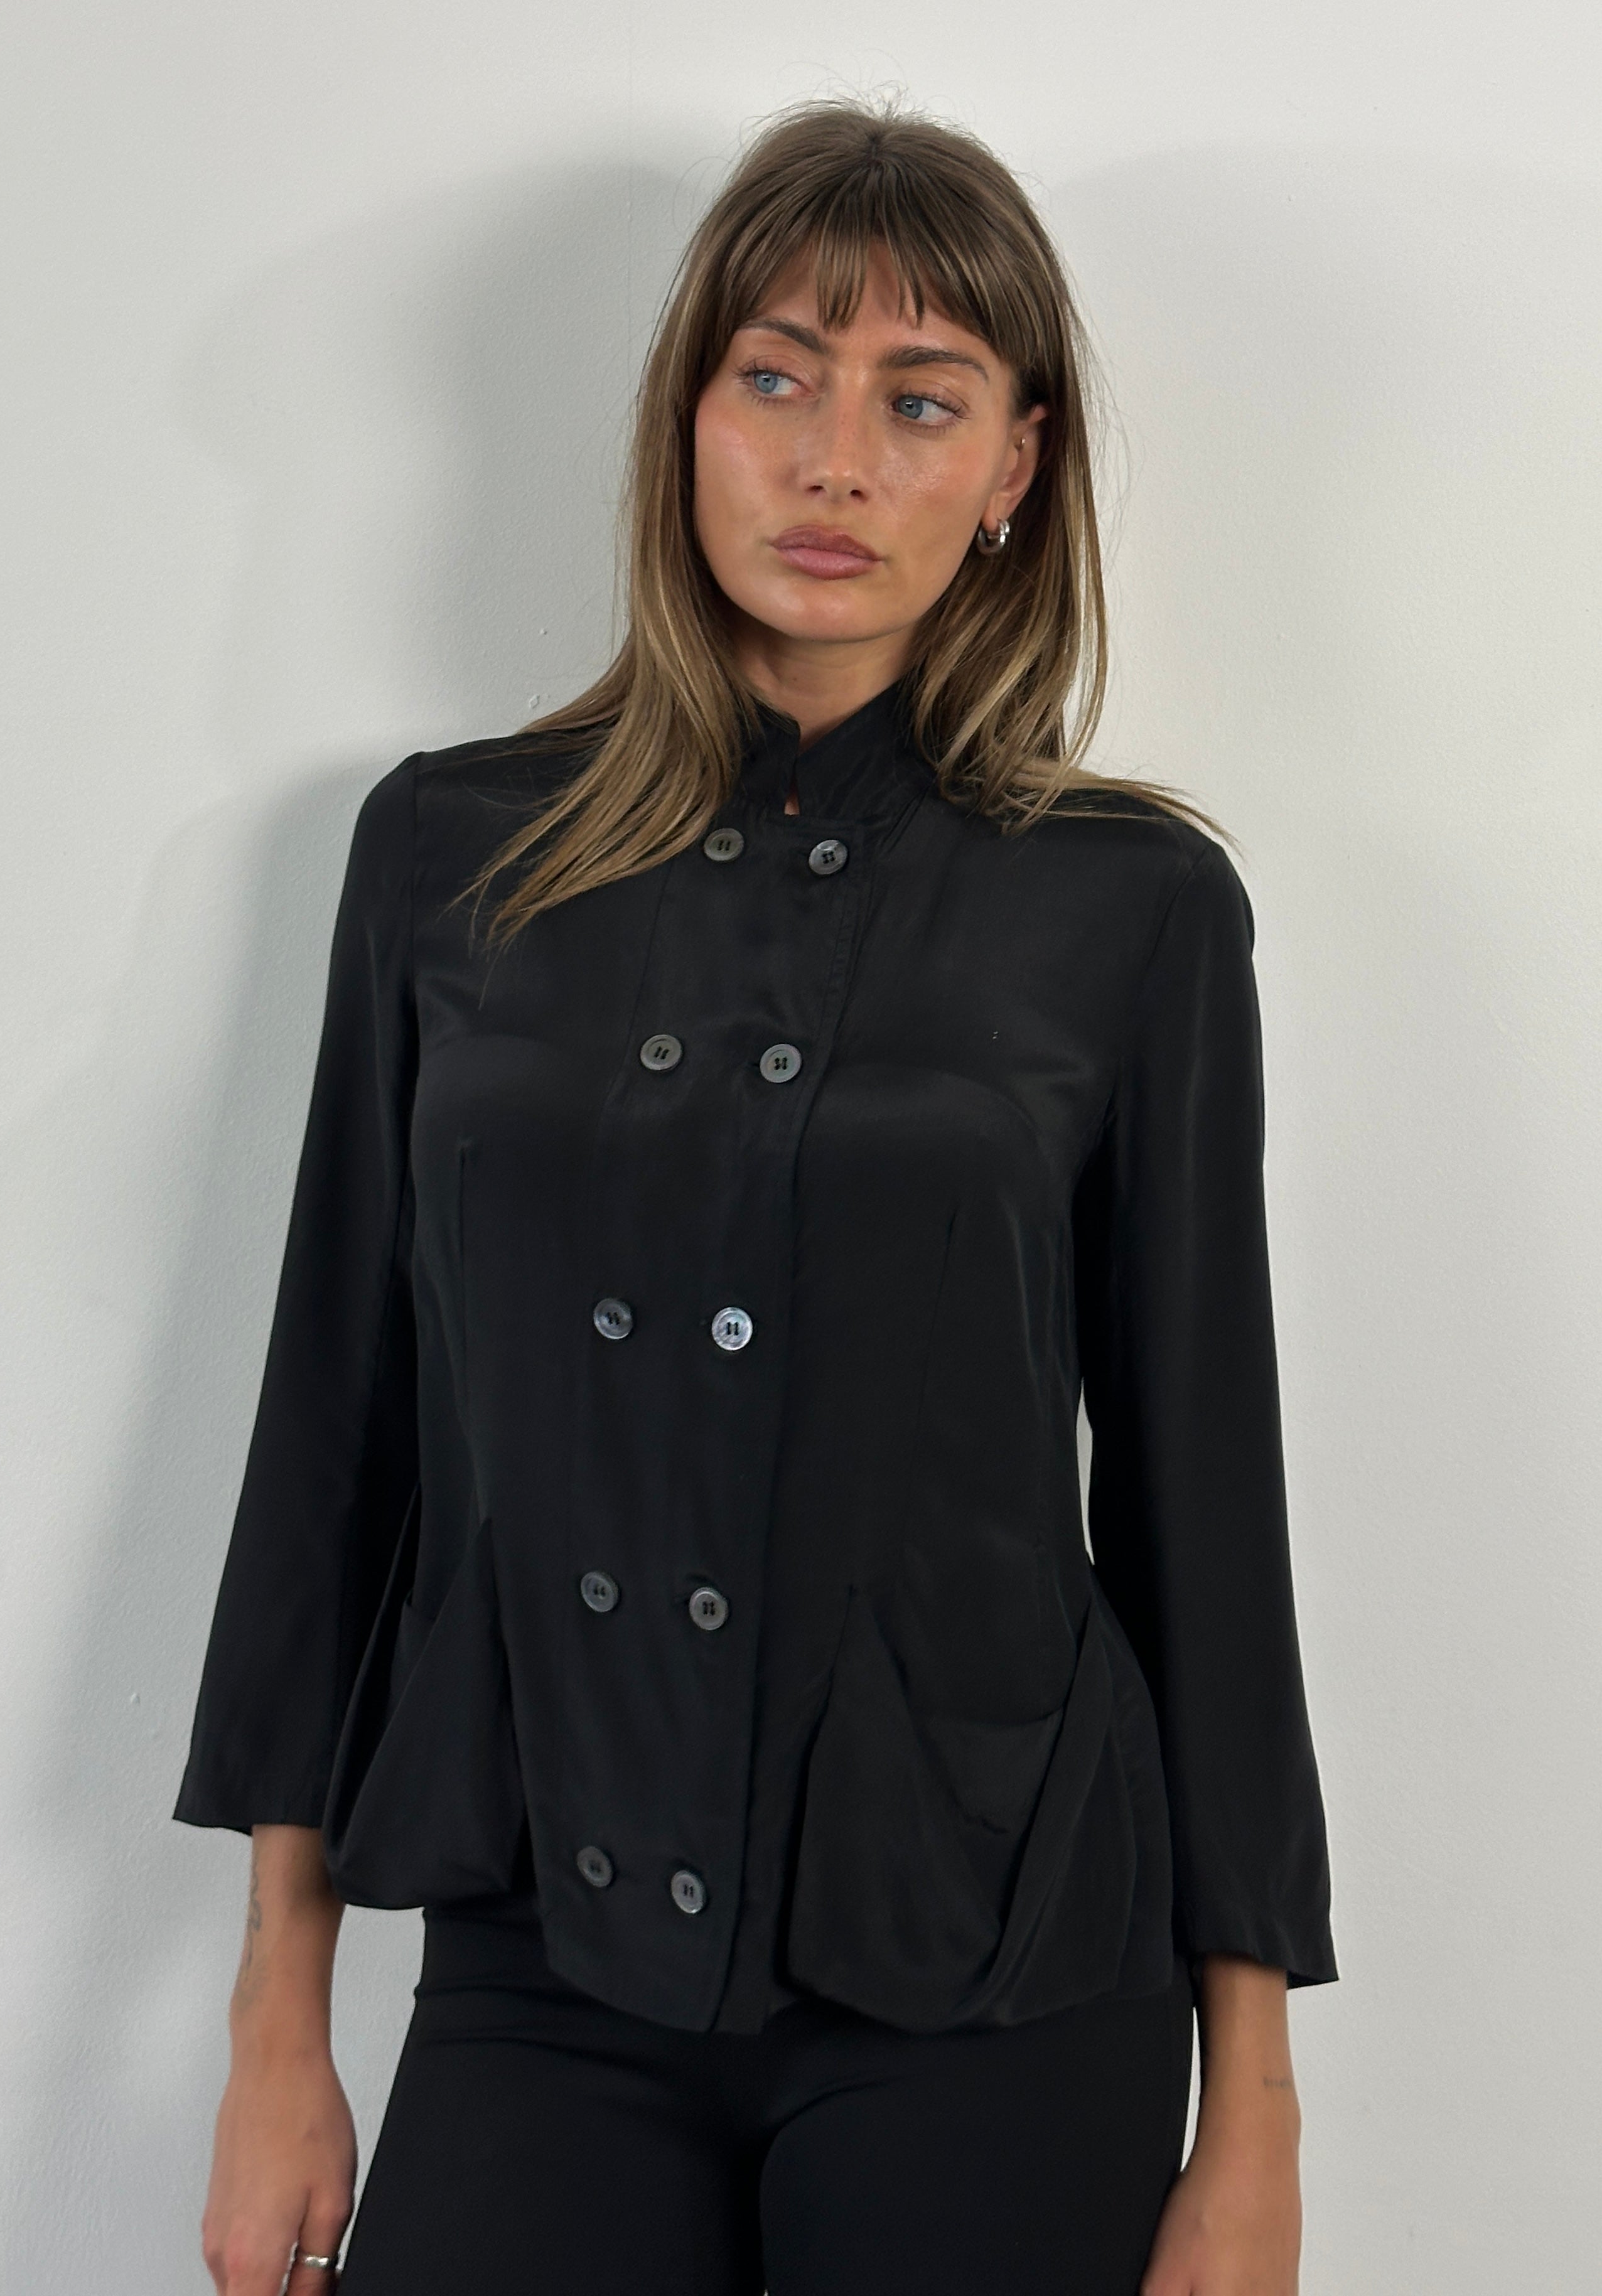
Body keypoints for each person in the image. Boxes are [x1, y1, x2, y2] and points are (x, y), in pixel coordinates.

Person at [175, 94, 1337, 2296]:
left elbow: (1206, 1509)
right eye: (779, 377)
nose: (836, 463)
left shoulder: (1133, 906)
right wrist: (277, 2019)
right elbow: (337, 1433)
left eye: (922, 400)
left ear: (1014, 466)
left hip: (995, 1967)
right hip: (540, 1951)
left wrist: (1253, 2104)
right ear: (687, 419)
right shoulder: (449, 856)